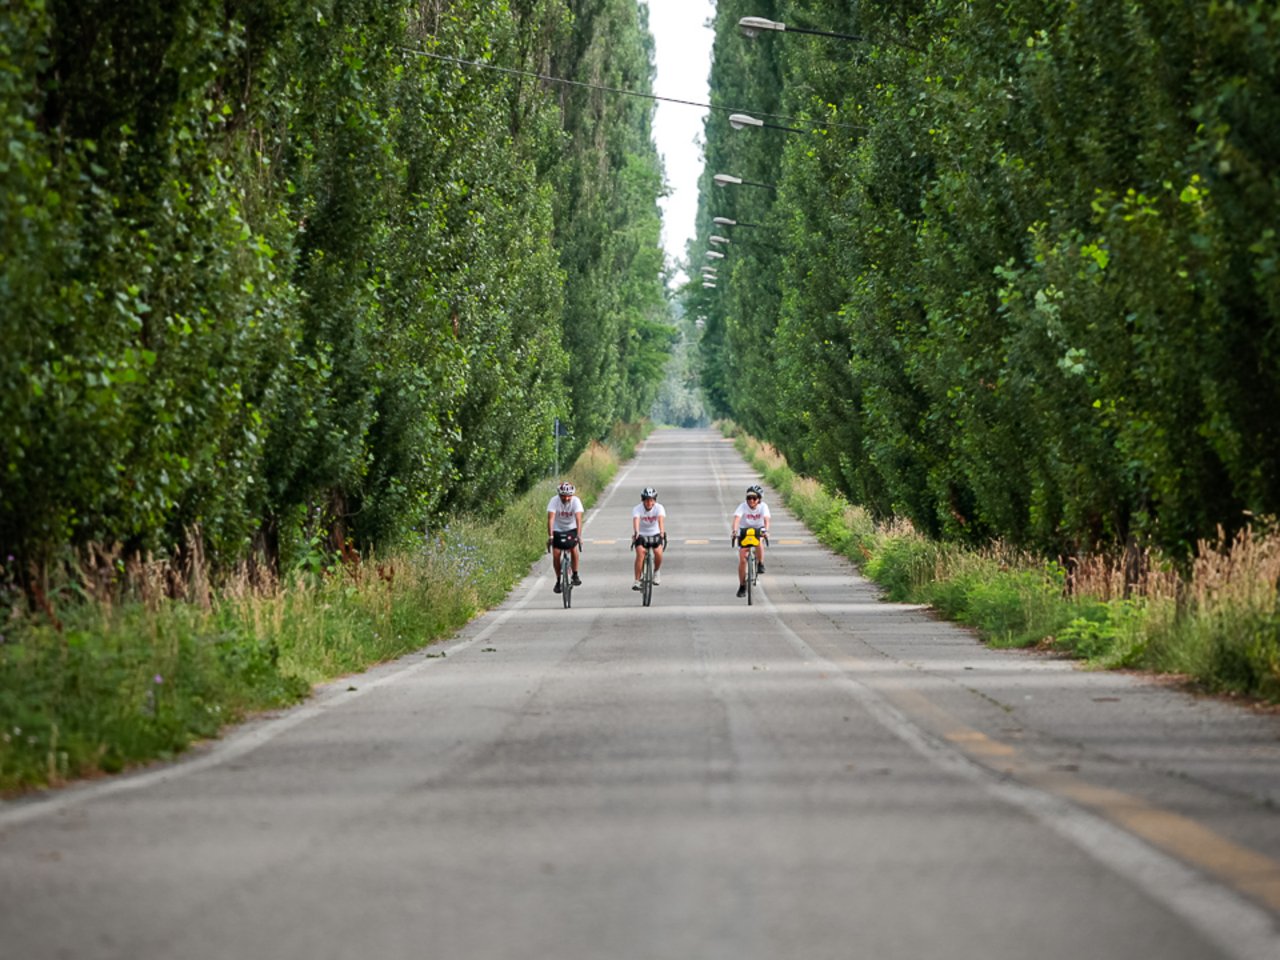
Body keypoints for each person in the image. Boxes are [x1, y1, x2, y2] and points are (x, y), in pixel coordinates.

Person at [731, 484, 770, 597]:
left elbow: (766, 520)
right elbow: (737, 518)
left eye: (754, 498)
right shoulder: (742, 506)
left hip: (759, 529)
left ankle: (760, 563)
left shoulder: (763, 507)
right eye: (749, 498)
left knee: (759, 541)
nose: (751, 500)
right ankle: (742, 586)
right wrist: (734, 531)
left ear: (759, 499)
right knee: (743, 559)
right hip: (744, 530)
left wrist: (766, 531)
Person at [547, 481, 584, 593]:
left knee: (573, 548)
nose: (566, 498)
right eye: (563, 496)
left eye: (569, 496)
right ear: (559, 495)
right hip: (558, 528)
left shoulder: (576, 501)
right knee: (556, 553)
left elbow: (578, 519)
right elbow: (551, 519)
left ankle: (575, 574)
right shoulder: (554, 501)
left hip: (571, 528)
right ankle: (558, 580)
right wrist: (551, 536)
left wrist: (579, 536)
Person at [631, 487, 667, 590]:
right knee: (640, 553)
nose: (649, 502)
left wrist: (661, 532)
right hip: (641, 534)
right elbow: (636, 520)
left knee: (658, 552)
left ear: (654, 500)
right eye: (646, 500)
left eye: (651, 500)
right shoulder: (637, 509)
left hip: (655, 533)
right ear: (642, 500)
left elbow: (660, 520)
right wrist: (636, 532)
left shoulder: (659, 508)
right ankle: (637, 580)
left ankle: (656, 571)